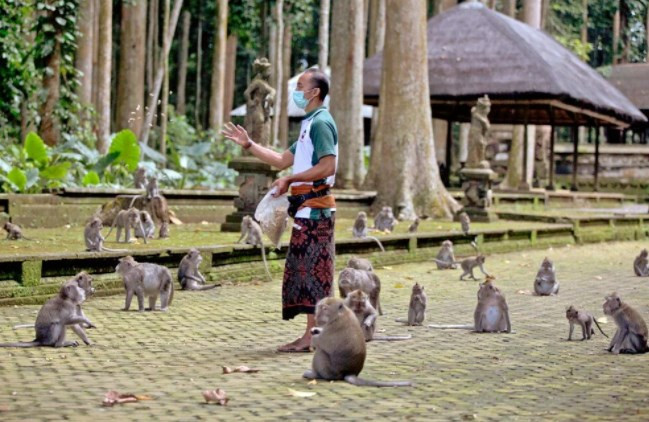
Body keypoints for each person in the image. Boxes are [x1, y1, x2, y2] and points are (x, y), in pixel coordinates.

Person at [222, 67, 338, 353]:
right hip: (304, 209)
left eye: (300, 86)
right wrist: (248, 144)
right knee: (304, 272)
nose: (296, 91)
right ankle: (312, 334)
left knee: (313, 274)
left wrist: (290, 179)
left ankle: (314, 337)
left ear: (315, 93)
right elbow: (280, 160)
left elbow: (328, 166)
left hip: (316, 209)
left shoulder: (322, 123)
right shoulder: (309, 124)